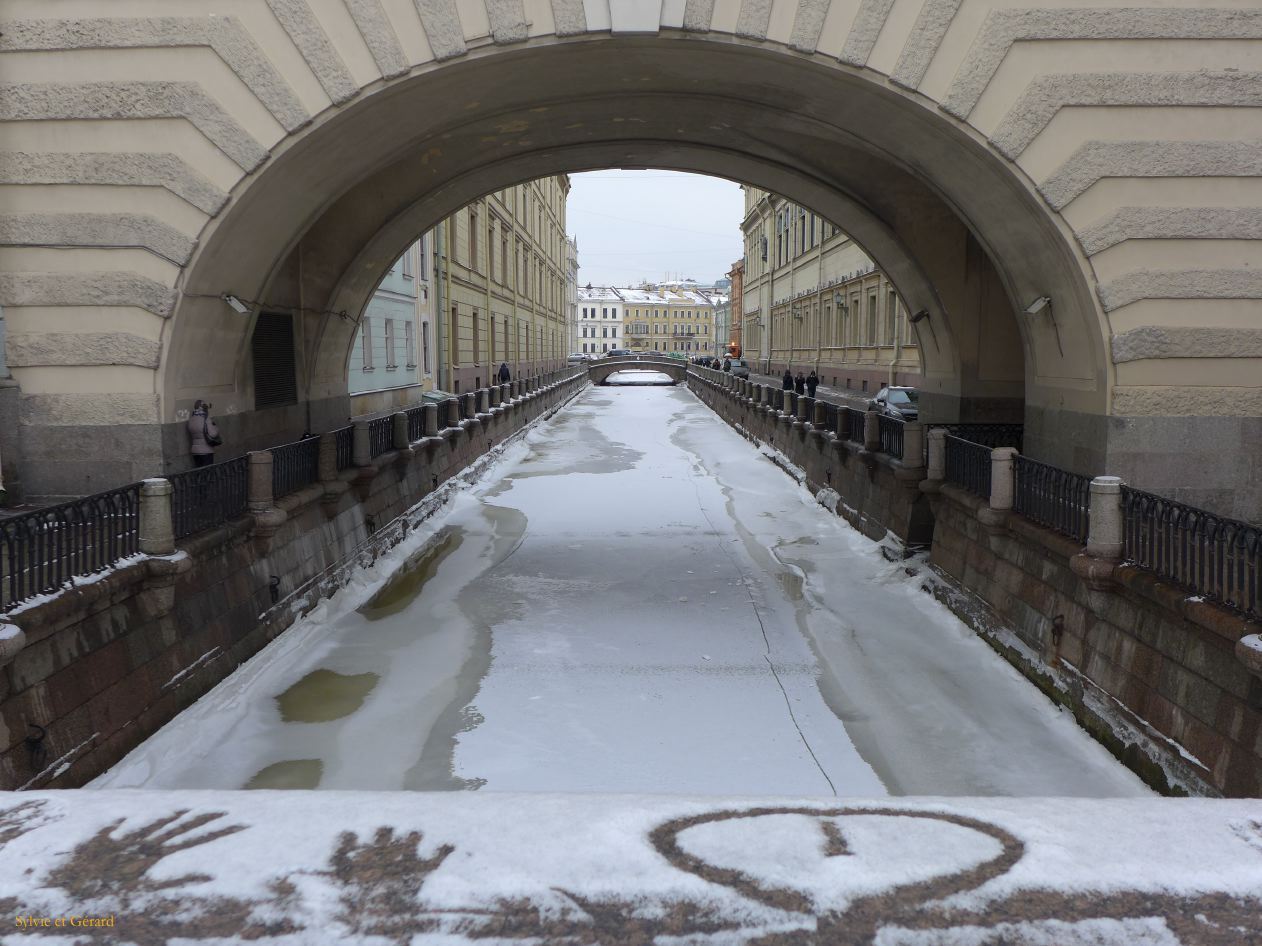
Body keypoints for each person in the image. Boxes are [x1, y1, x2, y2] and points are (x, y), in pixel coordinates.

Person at [188, 400, 220, 467]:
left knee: (199, 471)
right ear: (201, 407)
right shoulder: (205, 418)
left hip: (195, 451)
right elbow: (213, 434)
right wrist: (216, 427)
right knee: (207, 472)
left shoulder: (191, 419)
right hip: (206, 450)